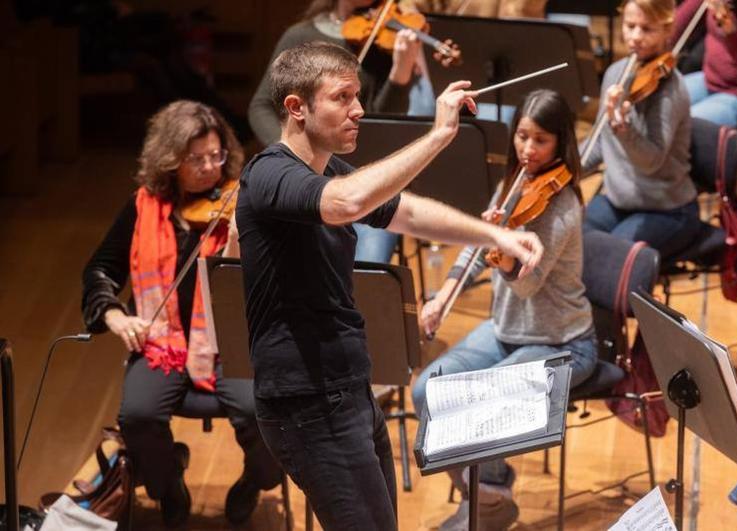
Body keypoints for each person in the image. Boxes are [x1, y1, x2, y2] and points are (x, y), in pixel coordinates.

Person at [235, 41, 543, 530]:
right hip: (306, 403)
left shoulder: (326, 168)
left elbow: (408, 210)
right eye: (342, 98)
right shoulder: (268, 173)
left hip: (348, 389)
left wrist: (496, 233)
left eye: (358, 96)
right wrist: (439, 136)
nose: (359, 110)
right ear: (297, 107)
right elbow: (346, 204)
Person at [81, 100, 280, 527]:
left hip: (232, 341)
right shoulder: (144, 207)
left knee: (264, 416)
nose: (211, 168)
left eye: (217, 156)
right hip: (164, 342)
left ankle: (255, 479)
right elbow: (100, 270)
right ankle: (169, 482)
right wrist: (116, 316)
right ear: (170, 161)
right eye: (197, 160)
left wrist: (248, 240)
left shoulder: (240, 203)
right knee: (137, 415)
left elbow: (278, 279)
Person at [412, 89, 598, 531]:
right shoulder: (512, 184)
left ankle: (488, 500)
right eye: (521, 137)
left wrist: (505, 244)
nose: (528, 150)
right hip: (506, 330)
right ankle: (488, 490)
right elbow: (476, 247)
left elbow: (529, 285)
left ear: (561, 143)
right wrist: (442, 296)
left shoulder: (561, 207)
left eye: (540, 141)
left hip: (564, 341)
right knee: (427, 391)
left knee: (481, 404)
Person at [248, 0, 425, 263]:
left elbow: (378, 119)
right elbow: (261, 106)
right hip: (304, 178)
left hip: (362, 175)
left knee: (369, 266)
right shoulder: (300, 35)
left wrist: (400, 74)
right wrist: (293, 155)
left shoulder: (385, 37)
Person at [582, 0, 699, 260]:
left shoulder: (671, 90)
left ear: (668, 30)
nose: (635, 37)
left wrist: (623, 128)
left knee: (610, 259)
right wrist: (562, 168)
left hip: (667, 209)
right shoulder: (615, 75)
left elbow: (651, 162)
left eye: (647, 29)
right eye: (630, 25)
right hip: (617, 201)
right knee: (570, 242)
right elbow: (600, 143)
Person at [673, 0, 737, 127]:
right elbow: (678, 23)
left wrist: (730, 29)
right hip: (710, 79)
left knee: (684, 128)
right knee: (655, 104)